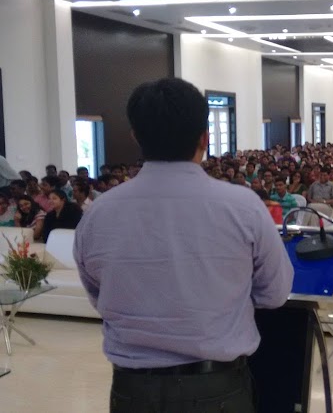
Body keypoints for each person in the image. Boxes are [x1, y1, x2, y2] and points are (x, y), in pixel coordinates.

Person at [74, 78, 294, 412]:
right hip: (217, 389)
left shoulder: (97, 213)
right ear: (204, 138)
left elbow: (98, 295)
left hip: (133, 391)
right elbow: (275, 293)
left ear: (136, 137)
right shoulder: (243, 207)